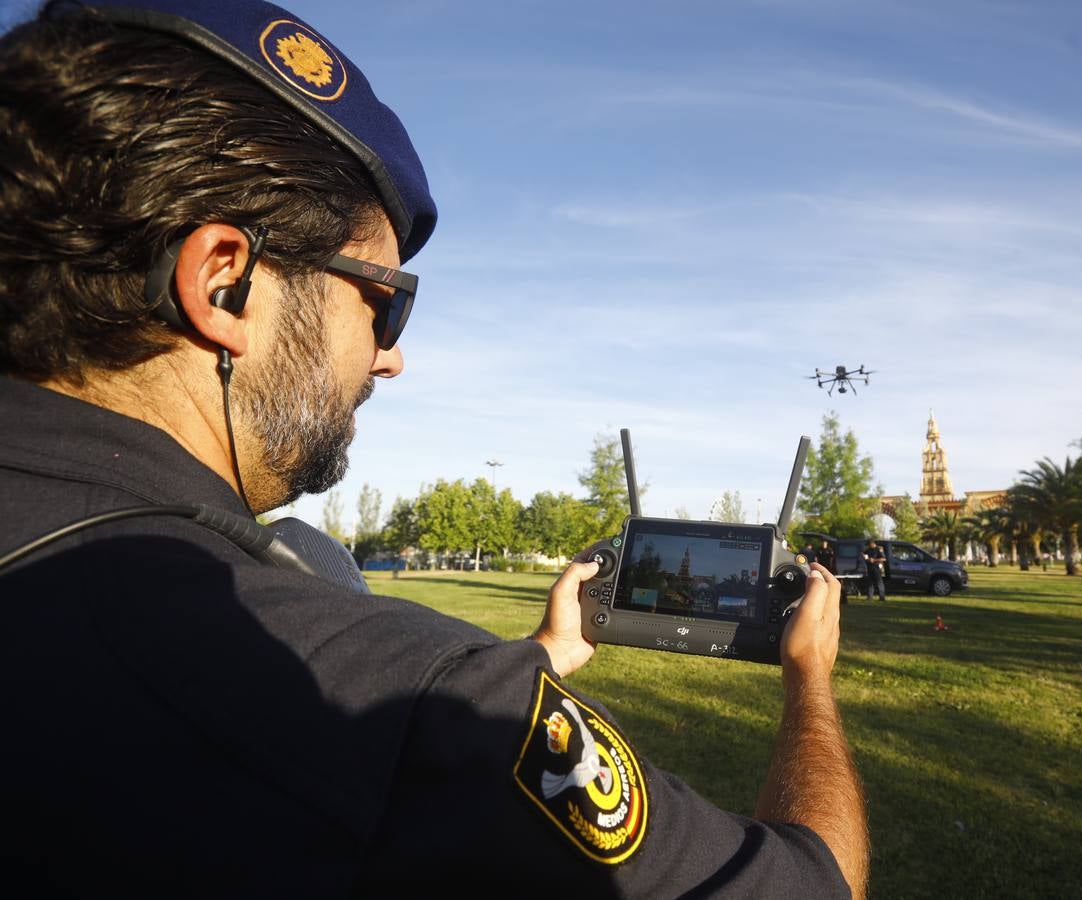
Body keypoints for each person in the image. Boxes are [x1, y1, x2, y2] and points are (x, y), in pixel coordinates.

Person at [0, 2, 867, 897]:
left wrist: (547, 651)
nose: (391, 355)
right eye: (383, 300)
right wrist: (810, 683)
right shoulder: (405, 699)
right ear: (225, 281)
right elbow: (814, 883)